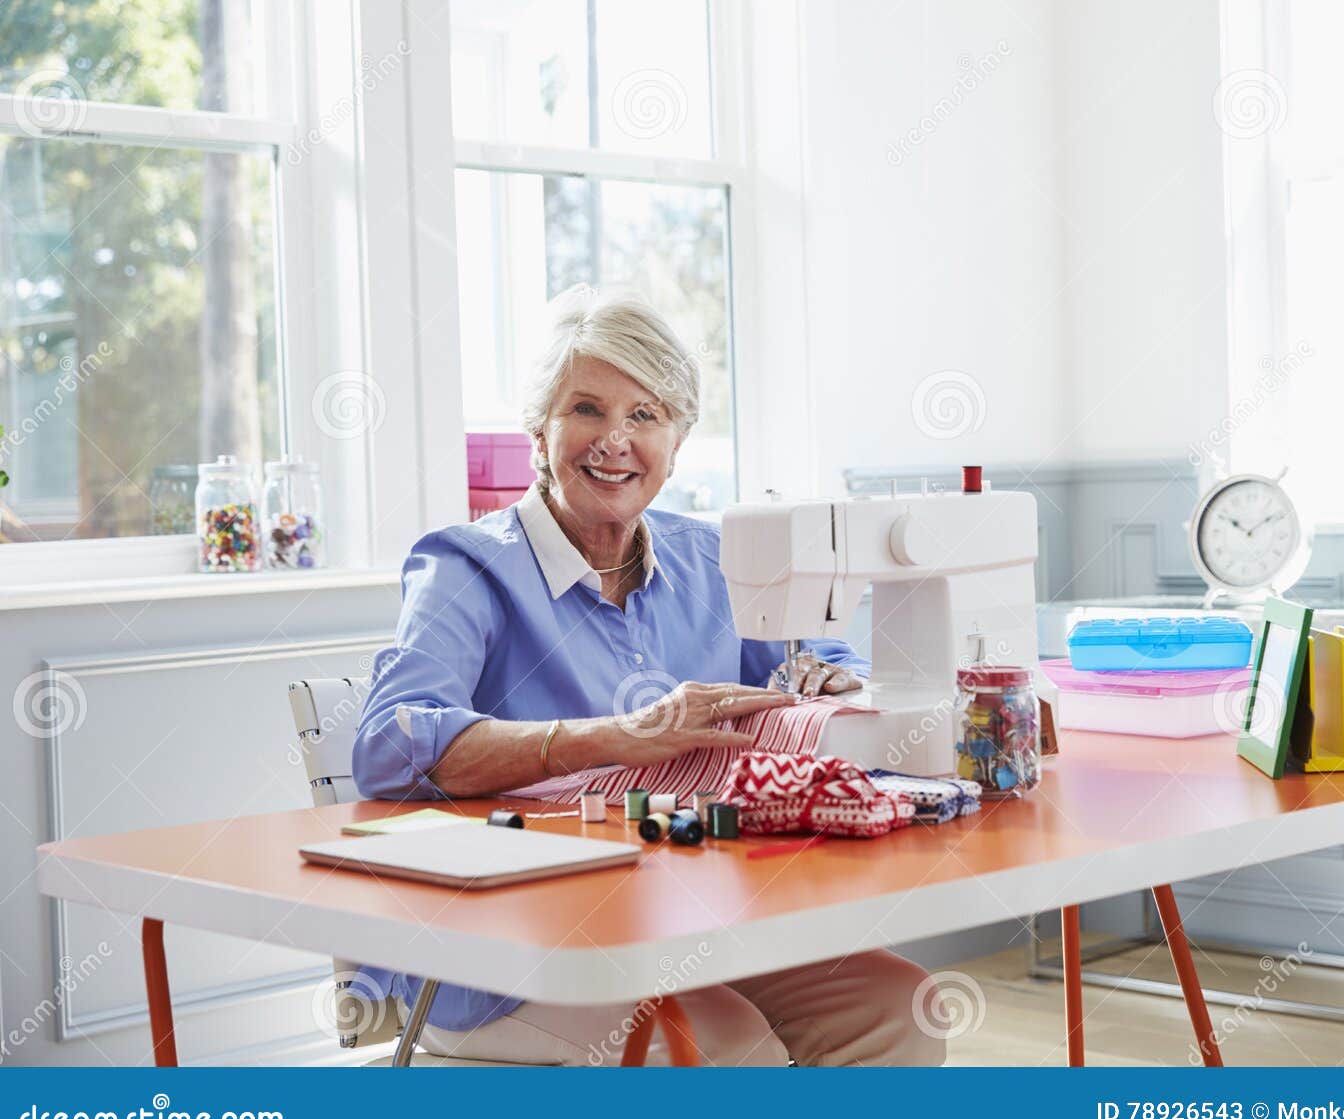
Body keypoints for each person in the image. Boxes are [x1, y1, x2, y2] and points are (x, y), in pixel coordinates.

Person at [351, 287, 944, 1066]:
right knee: (727, 1045)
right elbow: (391, 746)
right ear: (540, 430)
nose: (615, 440)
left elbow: (822, 658)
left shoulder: (711, 558)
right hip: (506, 949)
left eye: (645, 414)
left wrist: (830, 681)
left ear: (677, 438)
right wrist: (619, 738)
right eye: (587, 409)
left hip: (697, 921)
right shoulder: (465, 567)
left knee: (900, 1010)